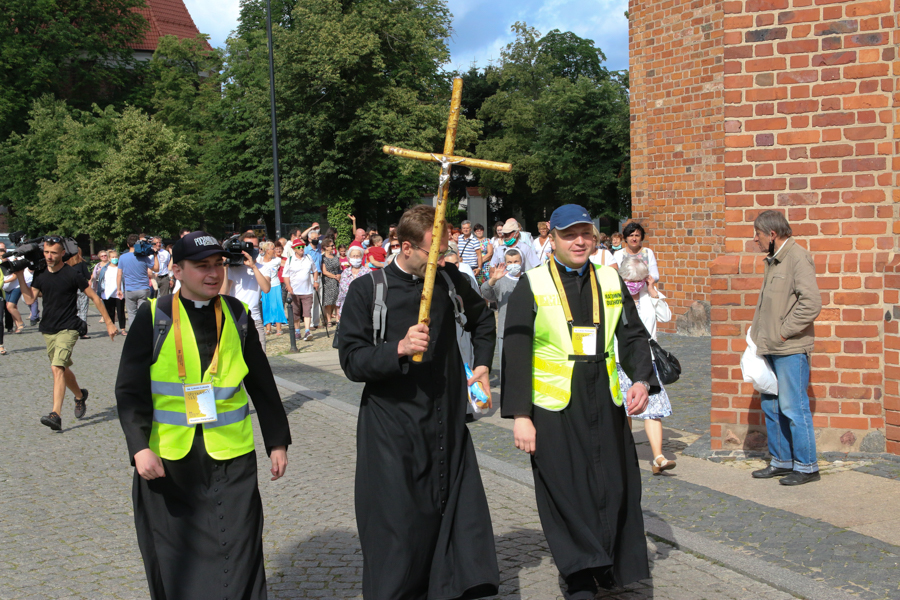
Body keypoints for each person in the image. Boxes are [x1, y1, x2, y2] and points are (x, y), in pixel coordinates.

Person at [115, 231, 290, 600]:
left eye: (217, 264)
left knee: (239, 545)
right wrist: (139, 448)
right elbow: (130, 390)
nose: (213, 273)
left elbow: (262, 383)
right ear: (177, 271)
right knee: (178, 554)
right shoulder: (154, 316)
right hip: (170, 458)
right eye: (201, 266)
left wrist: (277, 441)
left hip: (232, 455)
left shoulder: (238, 314)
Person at [338, 204, 499, 599]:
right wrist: (398, 348)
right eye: (434, 252)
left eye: (445, 252)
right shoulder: (368, 289)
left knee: (456, 516)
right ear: (406, 247)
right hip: (392, 428)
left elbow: (482, 320)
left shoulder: (449, 280)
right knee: (400, 524)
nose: (441, 260)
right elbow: (352, 361)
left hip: (446, 420)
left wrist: (482, 365)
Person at [501, 204, 655, 599]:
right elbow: (515, 351)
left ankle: (608, 563)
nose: (579, 241)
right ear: (552, 238)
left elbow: (633, 334)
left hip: (605, 396)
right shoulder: (532, 283)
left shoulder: (610, 277)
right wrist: (520, 415)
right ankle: (580, 573)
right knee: (566, 489)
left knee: (613, 483)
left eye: (585, 233)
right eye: (569, 235)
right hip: (554, 406)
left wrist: (641, 379)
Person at [750, 210, 822, 486]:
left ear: (772, 234)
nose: (754, 239)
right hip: (769, 346)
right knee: (771, 405)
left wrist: (783, 331)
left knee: (793, 406)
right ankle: (781, 460)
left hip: (789, 348)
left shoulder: (797, 257)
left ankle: (807, 466)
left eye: (757, 233)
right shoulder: (773, 259)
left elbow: (811, 303)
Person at [17, 237, 118, 430]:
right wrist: (20, 276)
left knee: (57, 368)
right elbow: (29, 300)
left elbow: (94, 297)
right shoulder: (40, 274)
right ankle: (80, 395)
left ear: (62, 253)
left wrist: (109, 322)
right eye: (47, 252)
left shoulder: (72, 274)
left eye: (53, 253)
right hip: (48, 329)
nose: (49, 256)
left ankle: (55, 414)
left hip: (69, 327)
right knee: (62, 368)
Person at [616, 256, 674, 474]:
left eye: (638, 280)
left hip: (647, 360)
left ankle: (658, 457)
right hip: (620, 361)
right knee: (625, 409)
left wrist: (653, 291)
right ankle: (625, 453)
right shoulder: (615, 297)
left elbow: (666, 317)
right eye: (630, 280)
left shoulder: (648, 296)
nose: (633, 284)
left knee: (652, 409)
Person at [221, 231, 271, 352]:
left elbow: (266, 288)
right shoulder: (233, 268)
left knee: (260, 356)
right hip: (235, 319)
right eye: (249, 246)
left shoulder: (263, 268)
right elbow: (223, 293)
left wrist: (253, 267)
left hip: (254, 318)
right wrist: (225, 268)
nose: (252, 249)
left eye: (255, 246)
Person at [480, 248, 522, 378]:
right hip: (505, 331)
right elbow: (486, 292)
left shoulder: (528, 279)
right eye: (509, 262)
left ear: (521, 262)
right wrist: (493, 279)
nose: (513, 264)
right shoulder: (501, 281)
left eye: (516, 261)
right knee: (506, 370)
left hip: (525, 330)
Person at [117, 234, 160, 332]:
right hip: (143, 289)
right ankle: (143, 332)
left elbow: (119, 274)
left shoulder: (122, 257)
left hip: (129, 289)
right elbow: (156, 269)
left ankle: (134, 332)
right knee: (143, 312)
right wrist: (155, 255)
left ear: (128, 244)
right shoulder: (143, 257)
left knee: (131, 313)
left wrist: (119, 289)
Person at [283, 240, 318, 341]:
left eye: (302, 246)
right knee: (295, 312)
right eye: (298, 247)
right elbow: (285, 275)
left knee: (307, 312)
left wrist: (315, 281)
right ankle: (297, 332)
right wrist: (288, 285)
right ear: (294, 249)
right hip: (294, 291)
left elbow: (315, 270)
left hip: (307, 290)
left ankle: (307, 331)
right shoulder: (290, 260)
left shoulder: (308, 257)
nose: (301, 248)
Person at [258, 241, 286, 336]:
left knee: (277, 306)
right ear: (267, 250)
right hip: (264, 286)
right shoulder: (259, 260)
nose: (275, 250)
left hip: (275, 285)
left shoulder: (277, 260)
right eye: (273, 248)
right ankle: (268, 328)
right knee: (266, 306)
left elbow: (288, 265)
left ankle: (279, 328)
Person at [98, 250, 127, 335]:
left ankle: (123, 329)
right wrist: (99, 293)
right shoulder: (105, 269)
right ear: (109, 259)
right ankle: (113, 328)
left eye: (116, 257)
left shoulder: (121, 268)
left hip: (119, 293)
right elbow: (101, 281)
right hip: (108, 294)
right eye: (112, 257)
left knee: (121, 311)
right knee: (110, 312)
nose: (115, 259)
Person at [336, 246, 370, 317]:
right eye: (353, 256)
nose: (355, 258)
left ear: (362, 257)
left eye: (358, 256)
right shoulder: (345, 273)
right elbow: (341, 292)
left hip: (363, 308)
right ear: (349, 258)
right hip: (347, 307)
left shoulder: (368, 272)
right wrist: (338, 307)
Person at [66, 248, 92, 339]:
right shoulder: (81, 263)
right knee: (83, 310)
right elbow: (88, 276)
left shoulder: (66, 264)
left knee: (72, 310)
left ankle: (72, 329)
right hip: (81, 288)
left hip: (70, 289)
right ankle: (82, 331)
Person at [320, 239, 341, 326]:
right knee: (328, 302)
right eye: (331, 245)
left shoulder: (335, 256)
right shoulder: (323, 258)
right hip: (328, 281)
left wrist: (339, 275)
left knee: (337, 301)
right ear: (326, 247)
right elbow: (324, 271)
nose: (333, 247)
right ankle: (328, 320)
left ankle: (337, 319)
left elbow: (339, 268)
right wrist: (334, 276)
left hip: (337, 281)